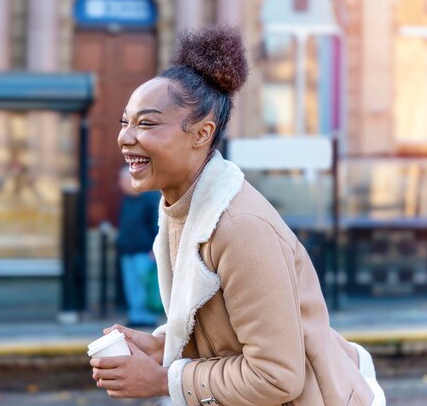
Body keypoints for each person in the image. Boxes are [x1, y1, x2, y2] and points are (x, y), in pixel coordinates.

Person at [90, 25, 386, 406]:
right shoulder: (184, 210)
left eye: (146, 123)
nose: (125, 137)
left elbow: (276, 375)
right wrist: (161, 344)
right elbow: (229, 330)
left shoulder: (239, 227)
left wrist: (165, 380)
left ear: (201, 134)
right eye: (125, 122)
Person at [117, 166, 161, 328]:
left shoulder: (150, 198)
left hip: (145, 251)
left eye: (122, 181)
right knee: (132, 286)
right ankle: (136, 316)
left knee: (145, 286)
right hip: (128, 251)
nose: (120, 184)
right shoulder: (127, 199)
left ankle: (147, 318)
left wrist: (155, 249)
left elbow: (157, 225)